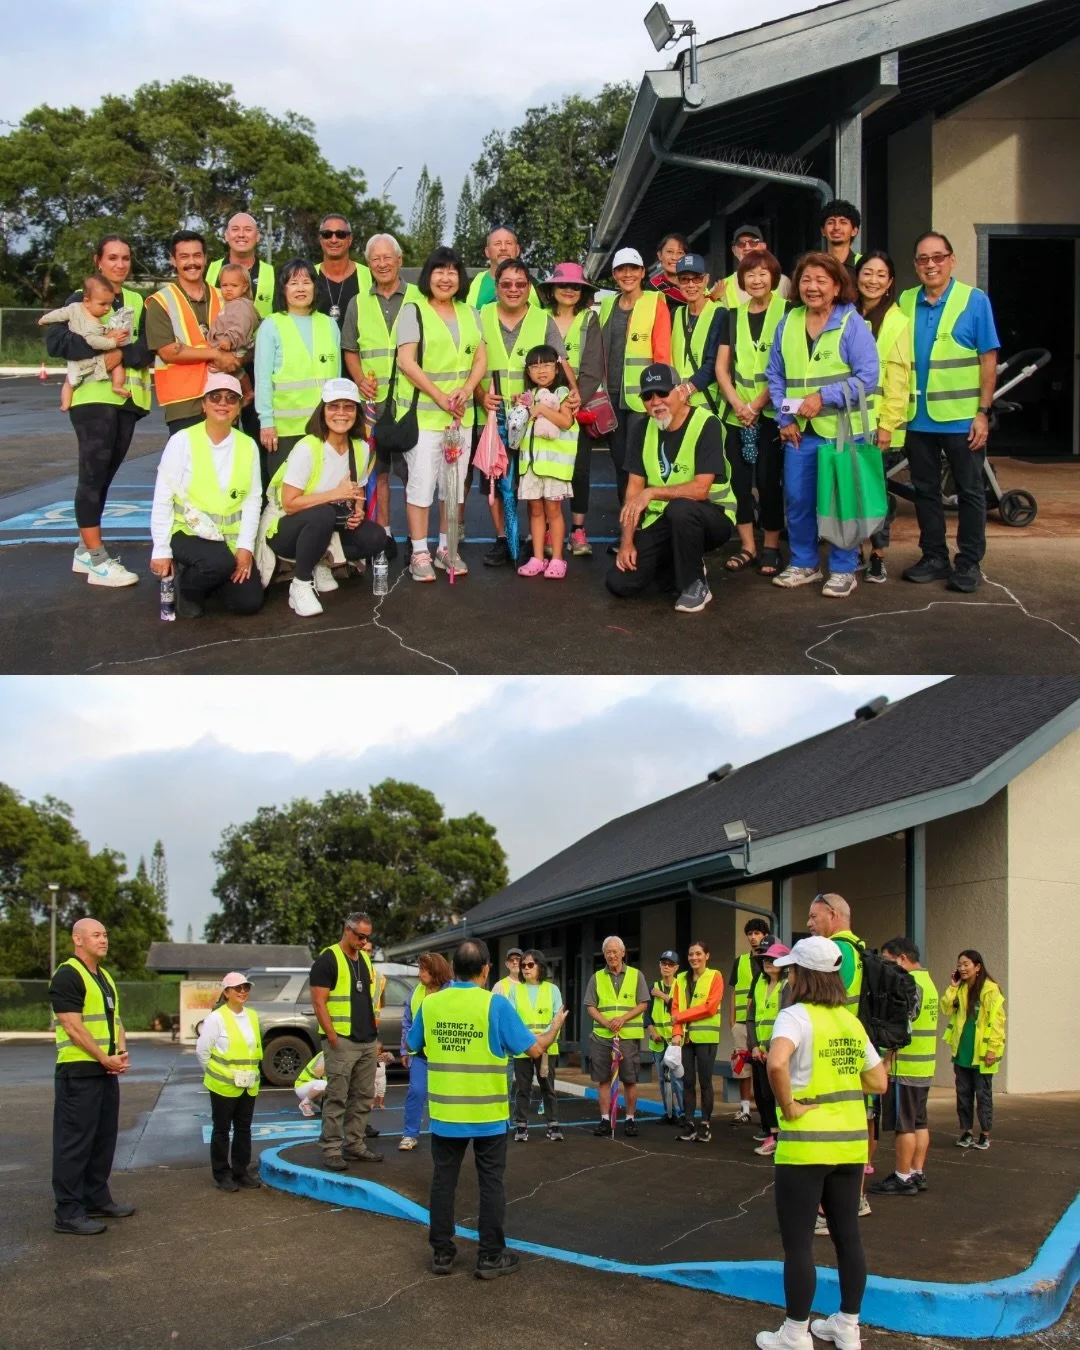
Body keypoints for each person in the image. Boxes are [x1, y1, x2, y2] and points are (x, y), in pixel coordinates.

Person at [407, 938, 567, 1278]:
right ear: (485, 969)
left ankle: (442, 1254)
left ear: (454, 969)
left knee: (443, 1181)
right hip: (488, 1116)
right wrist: (554, 1027)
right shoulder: (495, 1005)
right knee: (490, 1183)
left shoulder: (432, 1004)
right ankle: (491, 1256)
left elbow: (413, 1045)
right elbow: (535, 1050)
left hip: (446, 1114)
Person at [757, 937, 887, 1350]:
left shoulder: (794, 1017)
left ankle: (796, 1332)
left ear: (801, 976)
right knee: (848, 1236)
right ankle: (847, 1327)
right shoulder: (850, 1022)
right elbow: (879, 1082)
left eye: (791, 970)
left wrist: (789, 1104)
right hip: (850, 1145)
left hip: (806, 1147)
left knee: (798, 1243)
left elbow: (777, 1062)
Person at [767, 251, 880, 598]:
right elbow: (775, 373)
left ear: (836, 286)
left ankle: (844, 568)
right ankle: (805, 563)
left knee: (842, 500)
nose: (811, 287)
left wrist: (824, 395)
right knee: (798, 499)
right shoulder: (789, 321)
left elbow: (869, 377)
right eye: (805, 279)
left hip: (843, 433)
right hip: (800, 433)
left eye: (820, 280)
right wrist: (784, 418)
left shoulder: (851, 322)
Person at [43, 235, 154, 588]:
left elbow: (148, 347)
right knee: (92, 475)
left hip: (127, 400)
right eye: (112, 258)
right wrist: (98, 350)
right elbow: (57, 342)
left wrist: (119, 354)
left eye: (125, 258)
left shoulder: (138, 300)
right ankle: (96, 558)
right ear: (98, 261)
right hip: (92, 397)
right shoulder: (82, 299)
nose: (120, 265)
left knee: (105, 475)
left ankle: (83, 548)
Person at [898, 231, 1000, 594]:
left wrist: (983, 411)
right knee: (924, 490)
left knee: (971, 492)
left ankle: (969, 563)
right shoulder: (906, 300)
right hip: (917, 416)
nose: (931, 264)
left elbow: (988, 358)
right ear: (915, 265)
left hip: (961, 418)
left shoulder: (974, 300)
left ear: (951, 260)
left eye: (938, 257)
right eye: (923, 259)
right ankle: (934, 557)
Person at [606, 363, 735, 614]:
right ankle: (681, 567)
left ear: (680, 392)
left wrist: (652, 493)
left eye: (663, 393)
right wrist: (627, 542)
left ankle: (695, 584)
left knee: (681, 510)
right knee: (619, 582)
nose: (656, 402)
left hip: (711, 516)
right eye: (648, 396)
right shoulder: (642, 429)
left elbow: (700, 490)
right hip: (663, 521)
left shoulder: (706, 424)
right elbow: (633, 491)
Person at [395, 246, 486, 581]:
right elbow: (407, 362)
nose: (445, 278)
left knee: (453, 488)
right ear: (428, 276)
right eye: (439, 270)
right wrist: (439, 396)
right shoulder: (413, 310)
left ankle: (447, 549)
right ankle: (420, 552)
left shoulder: (471, 313)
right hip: (425, 418)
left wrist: (466, 388)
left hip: (460, 418)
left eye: (452, 271)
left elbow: (480, 359)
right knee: (420, 487)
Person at [261, 378, 386, 617]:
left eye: (348, 406)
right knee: (322, 514)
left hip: (326, 521)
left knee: (376, 537)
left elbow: (357, 489)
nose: (341, 413)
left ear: (356, 412)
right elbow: (289, 504)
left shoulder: (359, 447)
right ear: (323, 411)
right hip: (283, 529)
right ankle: (300, 584)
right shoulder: (308, 448)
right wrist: (334, 495)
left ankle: (320, 563)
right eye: (334, 406)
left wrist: (358, 510)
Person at [476, 258, 570, 568]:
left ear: (528, 287)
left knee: (534, 482)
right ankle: (505, 539)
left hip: (534, 420)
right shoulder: (480, 316)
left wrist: (573, 395)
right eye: (506, 284)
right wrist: (479, 396)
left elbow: (562, 362)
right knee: (498, 483)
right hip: (493, 417)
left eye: (520, 284)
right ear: (496, 287)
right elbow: (468, 367)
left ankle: (534, 541)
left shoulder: (543, 320)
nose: (513, 289)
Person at [149, 372, 264, 619]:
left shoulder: (248, 445)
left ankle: (214, 581)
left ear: (239, 407)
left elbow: (253, 500)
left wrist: (245, 549)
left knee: (248, 602)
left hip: (229, 540)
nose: (223, 403)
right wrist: (160, 550)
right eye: (215, 397)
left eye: (232, 398)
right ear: (203, 404)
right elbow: (163, 498)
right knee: (218, 563)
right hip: (188, 532)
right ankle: (188, 589)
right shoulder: (182, 441)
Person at [49, 917, 133, 1235]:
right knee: (74, 1143)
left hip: (105, 1071)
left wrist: (121, 1053)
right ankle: (68, 1211)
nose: (103, 939)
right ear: (78, 939)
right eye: (96, 934)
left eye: (105, 934)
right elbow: (72, 1025)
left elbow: (116, 1021)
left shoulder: (104, 977)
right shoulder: (69, 975)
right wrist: (103, 1058)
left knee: (103, 1139)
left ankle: (96, 1198)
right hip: (79, 1072)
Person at [341, 233, 420, 555]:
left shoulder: (418, 297)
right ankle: (384, 534)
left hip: (410, 404)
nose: (383, 264)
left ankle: (418, 542)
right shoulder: (358, 303)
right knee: (379, 475)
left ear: (400, 261)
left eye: (389, 258)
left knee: (413, 475)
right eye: (376, 259)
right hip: (373, 406)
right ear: (369, 264)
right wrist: (359, 379)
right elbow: (350, 349)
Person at [715, 249, 789, 576]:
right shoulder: (732, 315)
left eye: (763, 273)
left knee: (769, 481)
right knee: (740, 483)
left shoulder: (789, 313)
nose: (756, 280)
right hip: (737, 415)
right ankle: (748, 546)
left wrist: (757, 405)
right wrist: (736, 404)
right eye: (750, 274)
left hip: (772, 415)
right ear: (741, 280)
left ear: (774, 277)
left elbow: (789, 366)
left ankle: (771, 546)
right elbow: (721, 368)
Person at [805, 891, 874, 1226]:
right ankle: (855, 1198)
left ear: (832, 915)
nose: (809, 924)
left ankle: (824, 1210)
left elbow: (828, 1002)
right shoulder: (860, 948)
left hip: (833, 1054)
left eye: (814, 917)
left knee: (826, 1130)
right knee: (857, 1126)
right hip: (856, 1051)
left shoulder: (837, 951)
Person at [254, 258, 341, 488]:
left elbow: (337, 378)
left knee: (321, 491)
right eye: (293, 283)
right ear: (283, 289)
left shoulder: (329, 325)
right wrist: (266, 422)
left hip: (324, 428)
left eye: (306, 282)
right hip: (284, 431)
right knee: (284, 496)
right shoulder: (271, 326)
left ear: (315, 286)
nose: (301, 288)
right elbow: (262, 379)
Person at [854, 251, 913, 583]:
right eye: (867, 272)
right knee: (851, 488)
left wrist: (887, 424)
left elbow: (899, 378)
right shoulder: (847, 313)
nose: (872, 280)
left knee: (875, 492)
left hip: (878, 425)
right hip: (847, 422)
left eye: (880, 275)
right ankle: (855, 550)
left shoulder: (896, 320)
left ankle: (878, 553)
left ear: (890, 282)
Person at [308, 911, 383, 1170]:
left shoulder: (364, 959)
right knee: (336, 1097)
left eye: (367, 937)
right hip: (341, 1040)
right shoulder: (328, 959)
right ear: (347, 930)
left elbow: (370, 999)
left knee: (363, 1095)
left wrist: (374, 1036)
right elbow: (319, 1002)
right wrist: (331, 1036)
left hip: (366, 1040)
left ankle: (354, 1145)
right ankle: (331, 1148)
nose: (364, 942)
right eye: (360, 936)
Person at [146, 231, 240, 436]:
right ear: (173, 260)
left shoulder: (224, 297)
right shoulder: (160, 302)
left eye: (197, 255)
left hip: (224, 398)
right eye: (184, 256)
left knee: (225, 466)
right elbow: (168, 352)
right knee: (189, 466)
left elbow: (242, 346)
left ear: (206, 258)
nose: (192, 263)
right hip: (184, 403)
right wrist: (215, 354)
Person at [598, 247, 672, 504]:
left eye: (633, 269)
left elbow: (662, 354)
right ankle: (627, 524)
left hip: (643, 399)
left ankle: (645, 526)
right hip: (612, 398)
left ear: (643, 272)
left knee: (641, 463)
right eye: (621, 269)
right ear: (614, 274)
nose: (627, 274)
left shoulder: (655, 302)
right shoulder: (607, 305)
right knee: (620, 463)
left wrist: (659, 397)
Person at [540, 262, 603, 557]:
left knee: (579, 470)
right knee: (547, 467)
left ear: (582, 292)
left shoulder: (590, 320)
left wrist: (574, 400)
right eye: (563, 284)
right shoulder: (539, 319)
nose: (568, 290)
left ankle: (577, 529)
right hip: (545, 405)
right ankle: (550, 528)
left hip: (579, 405)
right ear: (553, 289)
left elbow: (593, 368)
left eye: (575, 286)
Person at [871, 937, 938, 1195]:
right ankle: (916, 1172)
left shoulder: (908, 985)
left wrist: (887, 1060)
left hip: (905, 1068)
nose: (886, 967)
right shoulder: (928, 982)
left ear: (901, 958)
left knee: (904, 1125)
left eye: (888, 961)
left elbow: (901, 1025)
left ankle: (902, 1176)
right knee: (919, 1122)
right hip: (923, 1067)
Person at [195, 972, 264, 1192]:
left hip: (248, 1084)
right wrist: (218, 1073)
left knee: (244, 1129)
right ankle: (222, 1175)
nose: (243, 992)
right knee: (222, 1130)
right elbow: (202, 1051)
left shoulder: (252, 1015)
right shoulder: (216, 1018)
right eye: (237, 988)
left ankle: (241, 1172)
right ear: (226, 993)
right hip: (224, 1085)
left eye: (246, 988)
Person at [514, 345, 577, 578]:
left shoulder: (562, 393)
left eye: (547, 364)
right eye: (535, 366)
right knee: (535, 510)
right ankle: (538, 557)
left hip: (554, 468)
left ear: (557, 367)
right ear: (528, 371)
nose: (541, 370)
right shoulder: (527, 396)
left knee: (553, 511)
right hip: (531, 466)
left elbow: (566, 421)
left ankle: (558, 559)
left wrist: (540, 409)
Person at [584, 935, 650, 1137]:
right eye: (608, 952)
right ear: (604, 954)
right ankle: (605, 1120)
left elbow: (643, 1003)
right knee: (603, 1080)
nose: (611, 955)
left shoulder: (636, 975)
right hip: (602, 1037)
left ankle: (630, 1119)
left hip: (628, 1037)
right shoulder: (596, 977)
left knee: (630, 1079)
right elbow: (590, 1006)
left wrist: (623, 1019)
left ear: (623, 953)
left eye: (615, 951)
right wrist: (606, 1022)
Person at [942, 949, 1005, 1151]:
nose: (962, 968)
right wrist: (953, 987)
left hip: (983, 1054)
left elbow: (997, 1021)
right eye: (960, 964)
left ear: (977, 967)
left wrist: (992, 1049)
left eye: (966, 964)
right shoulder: (960, 989)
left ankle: (985, 1134)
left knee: (983, 1095)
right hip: (962, 1051)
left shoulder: (990, 990)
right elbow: (946, 1009)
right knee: (963, 1095)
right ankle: (967, 1131)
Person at [38, 275, 130, 409]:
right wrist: (112, 342)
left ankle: (65, 403)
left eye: (110, 304)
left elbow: (59, 313)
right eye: (102, 304)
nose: (107, 308)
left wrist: (44, 319)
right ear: (87, 301)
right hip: (87, 362)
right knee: (117, 361)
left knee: (68, 382)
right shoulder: (91, 323)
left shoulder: (75, 308)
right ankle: (116, 385)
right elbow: (93, 341)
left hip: (80, 361)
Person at [399, 951, 453, 1150]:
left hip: (448, 1055)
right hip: (421, 1055)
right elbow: (407, 1022)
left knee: (448, 1095)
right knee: (416, 1091)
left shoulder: (452, 990)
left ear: (436, 971)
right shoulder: (416, 992)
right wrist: (404, 1051)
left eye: (424, 970)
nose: (420, 974)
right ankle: (409, 1134)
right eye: (419, 969)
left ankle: (449, 1134)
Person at [671, 941, 724, 1143]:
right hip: (685, 1038)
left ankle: (705, 1124)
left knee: (706, 1082)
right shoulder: (680, 980)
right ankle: (690, 1123)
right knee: (687, 1082)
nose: (694, 957)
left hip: (707, 1038)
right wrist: (676, 1032)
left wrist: (681, 1017)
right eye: (691, 954)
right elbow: (674, 1009)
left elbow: (710, 1007)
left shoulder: (715, 976)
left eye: (699, 954)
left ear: (707, 956)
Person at [511, 950, 564, 1142]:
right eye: (523, 965)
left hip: (547, 1048)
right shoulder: (515, 990)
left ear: (540, 966)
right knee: (522, 1089)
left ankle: (553, 1124)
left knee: (548, 1087)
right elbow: (512, 1018)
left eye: (530, 965)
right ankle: (521, 1126)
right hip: (523, 1048)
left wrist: (542, 1038)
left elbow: (557, 1017)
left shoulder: (552, 990)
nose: (525, 968)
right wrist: (529, 1039)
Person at [668, 253, 725, 419]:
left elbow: (715, 361)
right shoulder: (675, 314)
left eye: (697, 279)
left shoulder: (719, 313)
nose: (691, 285)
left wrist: (687, 389)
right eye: (685, 279)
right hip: (678, 404)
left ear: (706, 280)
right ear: (678, 282)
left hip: (707, 404)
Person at [747, 942, 790, 1157]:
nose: (768, 963)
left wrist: (771, 1047)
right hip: (760, 1052)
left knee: (778, 1093)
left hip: (778, 1050)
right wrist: (754, 1046)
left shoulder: (787, 986)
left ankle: (783, 1137)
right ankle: (773, 1135)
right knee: (764, 1094)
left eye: (773, 960)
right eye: (765, 959)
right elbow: (751, 1017)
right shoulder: (759, 984)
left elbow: (787, 1018)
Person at [729, 917, 773, 1124]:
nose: (753, 937)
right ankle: (745, 1108)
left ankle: (768, 1112)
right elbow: (734, 991)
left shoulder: (771, 962)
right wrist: (732, 1022)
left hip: (763, 1025)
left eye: (757, 933)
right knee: (742, 1067)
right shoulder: (740, 961)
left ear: (765, 935)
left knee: (764, 1068)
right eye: (750, 934)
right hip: (741, 1023)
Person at [208, 263, 261, 410]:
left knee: (233, 368)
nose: (228, 289)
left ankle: (248, 392)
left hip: (236, 344)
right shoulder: (230, 304)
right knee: (231, 371)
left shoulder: (241, 306)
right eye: (224, 285)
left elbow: (240, 326)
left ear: (244, 287)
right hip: (228, 344)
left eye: (234, 285)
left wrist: (229, 339)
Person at [206, 212, 275, 319]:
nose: (241, 234)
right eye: (235, 229)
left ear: (257, 236)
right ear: (226, 236)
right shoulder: (208, 270)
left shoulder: (273, 274)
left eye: (248, 229)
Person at [710, 225, 792, 307]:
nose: (747, 247)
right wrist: (712, 298)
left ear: (763, 246)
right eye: (741, 244)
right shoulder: (722, 286)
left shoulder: (783, 282)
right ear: (734, 250)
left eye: (753, 242)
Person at [314, 214, 371, 326]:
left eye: (340, 235)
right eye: (327, 235)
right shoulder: (308, 276)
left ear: (350, 239)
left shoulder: (369, 275)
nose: (333, 240)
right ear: (321, 240)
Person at [648, 950, 684, 1125]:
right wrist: (652, 1031)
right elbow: (647, 1014)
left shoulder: (681, 986)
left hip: (676, 1040)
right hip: (658, 1041)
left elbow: (679, 1007)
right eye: (663, 963)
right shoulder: (653, 986)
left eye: (670, 964)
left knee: (678, 1079)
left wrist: (661, 995)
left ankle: (683, 1112)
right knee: (662, 1079)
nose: (666, 967)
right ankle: (668, 1112)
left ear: (676, 968)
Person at [465, 225, 538, 310]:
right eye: (497, 244)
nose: (503, 248)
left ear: (517, 250)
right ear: (487, 251)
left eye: (508, 243)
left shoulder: (539, 287)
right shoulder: (470, 286)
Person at [649, 231, 690, 312]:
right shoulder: (652, 287)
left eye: (680, 253)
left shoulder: (696, 284)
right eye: (670, 252)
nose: (674, 257)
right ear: (660, 255)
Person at [821, 200, 863, 277]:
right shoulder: (815, 263)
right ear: (823, 231)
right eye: (831, 222)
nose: (836, 227)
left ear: (854, 231)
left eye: (843, 222)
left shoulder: (863, 264)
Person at [294, 1051, 327, 1117]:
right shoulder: (325, 1055)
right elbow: (318, 1072)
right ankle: (305, 1103)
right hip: (303, 1086)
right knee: (324, 1084)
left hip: (314, 1089)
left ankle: (317, 1103)